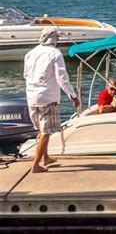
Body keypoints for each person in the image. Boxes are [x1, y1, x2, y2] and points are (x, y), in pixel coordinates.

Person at [23, 27, 79, 173]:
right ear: (54, 39)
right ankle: (35, 166)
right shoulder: (55, 53)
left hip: (31, 97)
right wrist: (72, 95)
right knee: (46, 132)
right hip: (47, 97)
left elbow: (25, 75)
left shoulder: (30, 53)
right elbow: (62, 78)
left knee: (41, 130)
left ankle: (45, 158)